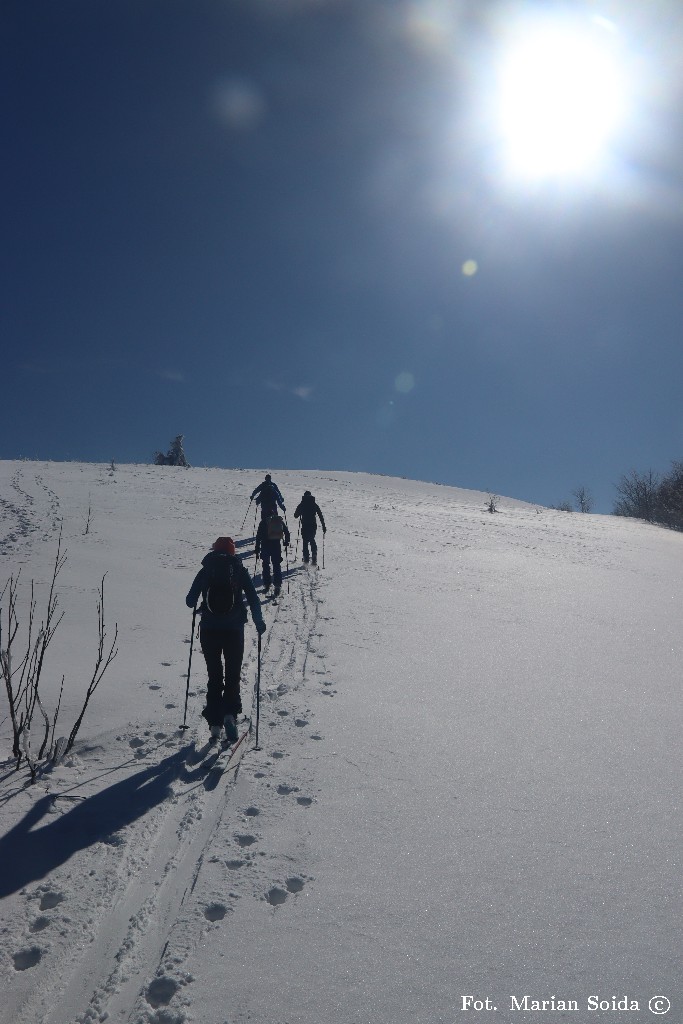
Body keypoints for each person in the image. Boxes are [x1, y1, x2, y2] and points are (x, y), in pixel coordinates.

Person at [186, 537, 266, 742]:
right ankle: (230, 714)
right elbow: (253, 598)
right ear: (232, 552)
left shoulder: (206, 570)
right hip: (234, 630)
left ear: (214, 550)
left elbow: (189, 601)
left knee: (214, 676)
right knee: (232, 674)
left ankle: (214, 724)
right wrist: (259, 622)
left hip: (209, 631)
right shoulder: (238, 570)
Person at [255, 512, 290, 596]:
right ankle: (277, 585)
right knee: (276, 564)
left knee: (266, 564)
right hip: (276, 546)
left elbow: (258, 536)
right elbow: (287, 532)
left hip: (265, 546)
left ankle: (267, 584)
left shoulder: (263, 522)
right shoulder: (278, 521)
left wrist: (257, 547)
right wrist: (286, 542)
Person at [293, 490, 326, 565]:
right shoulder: (314, 504)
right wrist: (323, 526)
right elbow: (320, 515)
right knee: (312, 539)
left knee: (305, 541)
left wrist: (301, 512)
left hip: (305, 525)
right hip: (313, 525)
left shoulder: (302, 504)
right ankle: (314, 555)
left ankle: (306, 559)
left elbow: (295, 515)